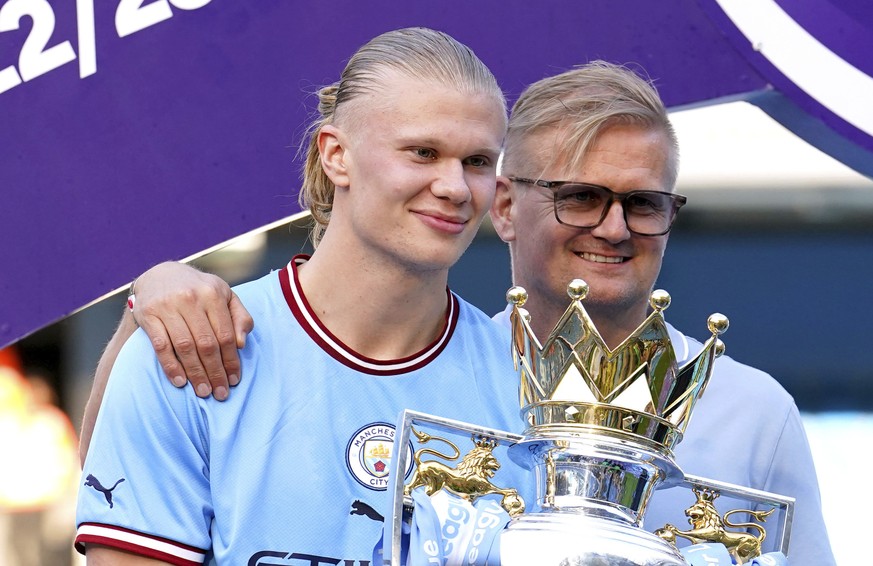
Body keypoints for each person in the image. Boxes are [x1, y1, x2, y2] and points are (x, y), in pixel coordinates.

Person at [81, 63, 836, 564]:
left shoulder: (751, 408)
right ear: (507, 209)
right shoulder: (472, 374)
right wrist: (141, 317)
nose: (612, 227)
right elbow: (123, 490)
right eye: (578, 197)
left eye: (643, 204)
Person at [76, 27, 530, 565]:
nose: (455, 187)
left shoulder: (526, 381)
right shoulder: (192, 347)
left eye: (477, 161)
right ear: (337, 155)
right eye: (423, 152)